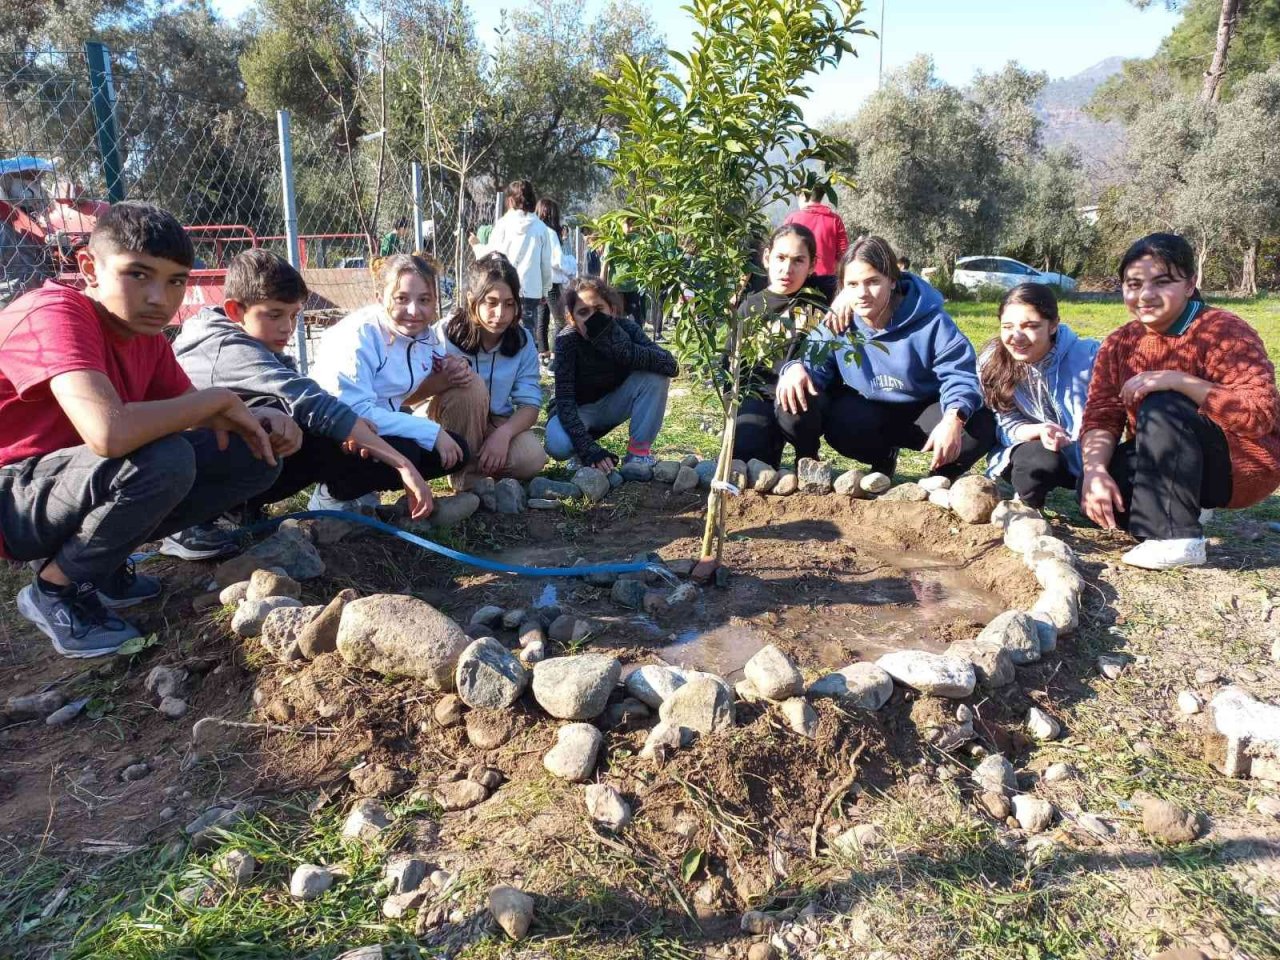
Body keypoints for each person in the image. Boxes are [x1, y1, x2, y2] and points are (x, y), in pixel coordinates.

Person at [0, 202, 282, 657]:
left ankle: (101, 564)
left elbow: (196, 413)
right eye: (138, 275)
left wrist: (263, 419)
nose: (159, 298)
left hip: (69, 482)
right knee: (163, 460)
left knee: (249, 453)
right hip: (13, 495)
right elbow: (108, 435)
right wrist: (217, 402)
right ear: (89, 267)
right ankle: (54, 590)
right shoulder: (53, 313)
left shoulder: (145, 339)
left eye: (175, 281)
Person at [173, 249, 435, 522]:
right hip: (181, 462)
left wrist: (349, 427)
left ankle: (236, 507)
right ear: (235, 310)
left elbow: (305, 399)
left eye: (294, 315)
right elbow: (309, 401)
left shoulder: (257, 340)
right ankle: (192, 524)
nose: (288, 327)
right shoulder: (227, 347)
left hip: (205, 454)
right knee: (302, 430)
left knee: (303, 429)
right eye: (274, 315)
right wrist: (403, 466)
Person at [1080, 232, 1280, 570]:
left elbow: (1259, 415)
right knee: (1106, 491)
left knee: (1163, 404)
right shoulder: (1119, 343)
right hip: (1170, 457)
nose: (1145, 295)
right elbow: (1102, 416)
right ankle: (1188, 509)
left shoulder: (1223, 331)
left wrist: (1179, 381)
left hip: (1239, 466)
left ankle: (1178, 538)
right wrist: (1094, 472)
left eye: (1162, 282)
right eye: (1133, 284)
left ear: (1190, 284)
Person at [775, 235, 996, 479]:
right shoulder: (839, 321)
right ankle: (876, 457)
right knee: (796, 395)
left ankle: (941, 475)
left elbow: (959, 373)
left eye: (872, 282)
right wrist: (795, 367)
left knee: (978, 425)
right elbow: (813, 362)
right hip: (870, 411)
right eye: (853, 284)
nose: (862, 293)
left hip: (925, 408)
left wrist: (954, 417)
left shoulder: (932, 320)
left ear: (892, 280)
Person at [310, 253, 481, 507]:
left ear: (435, 301)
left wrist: (452, 365)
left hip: (377, 427)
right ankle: (333, 493)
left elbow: (434, 358)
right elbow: (355, 413)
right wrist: (432, 431)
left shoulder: (422, 335)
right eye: (401, 299)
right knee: (410, 449)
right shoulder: (359, 336)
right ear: (381, 298)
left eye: (424, 300)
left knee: (456, 451)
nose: (414, 311)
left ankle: (365, 488)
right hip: (336, 433)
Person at [429, 254, 547, 489]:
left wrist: (503, 435)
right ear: (473, 301)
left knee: (533, 459)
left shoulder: (522, 341)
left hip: (495, 422)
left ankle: (478, 468)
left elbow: (530, 405)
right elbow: (413, 394)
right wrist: (444, 378)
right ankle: (462, 472)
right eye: (491, 302)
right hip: (447, 421)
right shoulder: (443, 334)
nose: (500, 313)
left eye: (509, 303)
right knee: (471, 387)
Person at [979, 283, 1099, 508]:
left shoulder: (1090, 357)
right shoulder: (991, 362)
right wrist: (1039, 431)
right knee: (1037, 462)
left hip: (1092, 456)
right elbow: (1005, 420)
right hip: (1034, 449)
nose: (1016, 336)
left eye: (1030, 326)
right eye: (1007, 326)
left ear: (1053, 325)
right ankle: (1026, 509)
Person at [546, 277, 678, 472]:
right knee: (558, 444)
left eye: (598, 310)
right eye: (583, 312)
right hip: (581, 410)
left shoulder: (627, 328)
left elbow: (670, 366)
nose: (592, 318)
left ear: (612, 310)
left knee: (656, 377)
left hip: (616, 402)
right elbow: (565, 402)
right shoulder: (567, 341)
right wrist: (589, 450)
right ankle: (579, 450)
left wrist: (623, 349)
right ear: (572, 319)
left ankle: (638, 455)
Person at [731, 224, 828, 468]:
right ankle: (768, 453)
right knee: (748, 453)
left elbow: (867, 275)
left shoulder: (822, 296)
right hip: (760, 396)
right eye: (781, 258)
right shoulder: (750, 308)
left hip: (805, 397)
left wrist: (846, 297)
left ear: (812, 264)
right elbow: (733, 365)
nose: (787, 269)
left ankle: (807, 457)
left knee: (795, 405)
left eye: (798, 261)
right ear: (767, 258)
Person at [484, 180, 554, 346]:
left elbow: (492, 256)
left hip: (504, 285)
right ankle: (526, 364)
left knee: (502, 327)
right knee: (527, 329)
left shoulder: (502, 225)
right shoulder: (540, 228)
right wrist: (545, 289)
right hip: (531, 289)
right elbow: (545, 263)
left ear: (509, 201)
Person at [782, 186, 850, 304]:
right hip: (827, 284)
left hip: (797, 281)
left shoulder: (792, 218)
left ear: (803, 196)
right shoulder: (835, 220)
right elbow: (845, 255)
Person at [534, 197, 576, 364]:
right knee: (560, 320)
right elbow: (557, 261)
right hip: (551, 282)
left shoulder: (534, 231)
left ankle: (543, 353)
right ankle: (555, 359)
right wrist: (571, 266)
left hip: (536, 281)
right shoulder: (549, 233)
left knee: (542, 318)